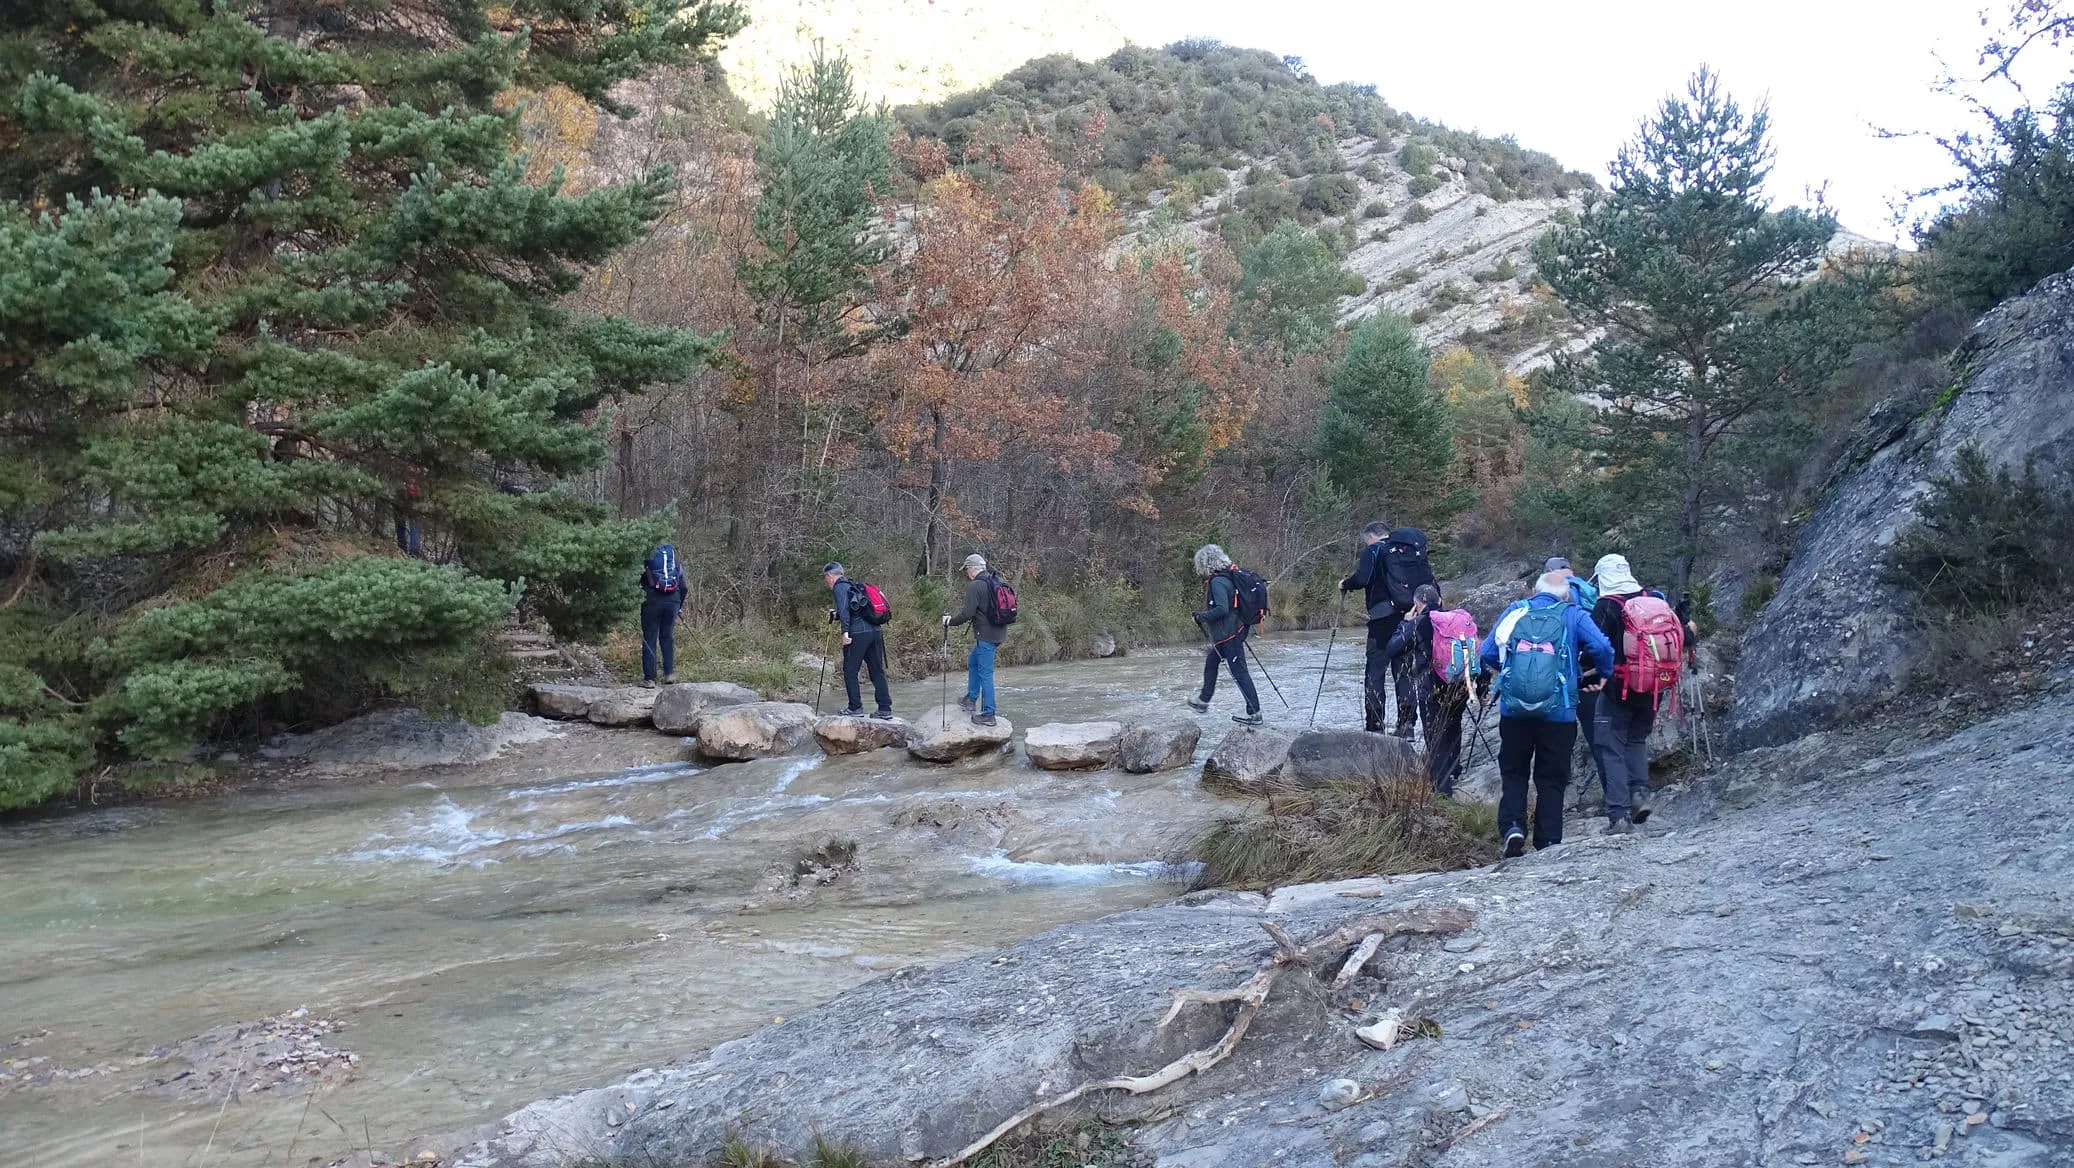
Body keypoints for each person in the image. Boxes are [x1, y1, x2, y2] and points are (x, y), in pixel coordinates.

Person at [1479, 570, 1615, 858]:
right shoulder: (1574, 615)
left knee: (1514, 772)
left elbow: (1488, 652)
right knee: (1552, 778)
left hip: (1514, 710)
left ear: (1534, 591)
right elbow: (1602, 646)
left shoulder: (1515, 611)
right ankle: (1549, 841)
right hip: (1559, 712)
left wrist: (1511, 673)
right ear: (1565, 594)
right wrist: (1603, 673)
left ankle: (1513, 827)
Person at [1585, 553, 1695, 833]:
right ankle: (1640, 795)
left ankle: (1619, 816)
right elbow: (1682, 638)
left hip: (1618, 689)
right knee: (1636, 741)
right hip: (1653, 687)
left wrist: (1589, 671)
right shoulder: (1653, 600)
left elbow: (1593, 646)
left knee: (1610, 747)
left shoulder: (1606, 605)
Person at [1381, 584, 1488, 794]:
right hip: (1460, 686)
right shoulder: (1458, 622)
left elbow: (1392, 649)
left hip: (1432, 688)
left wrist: (1405, 623)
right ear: (1439, 601)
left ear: (1417, 604)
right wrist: (1483, 689)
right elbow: (1476, 654)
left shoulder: (1420, 622)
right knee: (1454, 725)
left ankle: (1443, 789)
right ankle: (1455, 770)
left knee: (1435, 735)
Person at [1340, 521, 1432, 735]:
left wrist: (1345, 584)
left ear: (1371, 536)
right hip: (1409, 617)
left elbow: (1361, 578)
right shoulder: (1407, 551)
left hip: (1382, 620)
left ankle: (1375, 726)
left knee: (1376, 670)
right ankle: (1407, 726)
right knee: (1404, 671)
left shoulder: (1374, 550)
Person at [1187, 544, 1264, 726]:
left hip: (1230, 634)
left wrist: (1201, 616)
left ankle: (1255, 714)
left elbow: (1222, 609)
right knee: (1212, 661)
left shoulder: (1218, 582)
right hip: (1231, 632)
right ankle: (1203, 701)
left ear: (1206, 563)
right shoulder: (1227, 577)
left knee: (1240, 672)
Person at [943, 553, 1007, 726]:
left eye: (966, 570)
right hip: (998, 633)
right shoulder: (997, 581)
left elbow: (968, 613)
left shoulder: (975, 585)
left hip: (985, 636)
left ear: (972, 569)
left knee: (986, 674)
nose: (966, 573)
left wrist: (950, 621)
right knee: (973, 662)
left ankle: (989, 714)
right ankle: (970, 699)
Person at [825, 562, 895, 720]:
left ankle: (855, 708)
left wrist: (845, 633)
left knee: (850, 671)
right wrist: (836, 615)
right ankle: (885, 709)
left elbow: (844, 610)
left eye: (826, 578)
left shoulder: (839, 587)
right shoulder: (853, 585)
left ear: (830, 576)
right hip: (875, 632)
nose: (827, 582)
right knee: (877, 671)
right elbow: (854, 610)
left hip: (858, 634)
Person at [638, 543, 685, 687]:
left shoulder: (647, 564)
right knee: (667, 637)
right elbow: (684, 587)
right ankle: (669, 673)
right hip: (673, 601)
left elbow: (638, 584)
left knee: (649, 638)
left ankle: (650, 679)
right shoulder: (675, 564)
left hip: (652, 601)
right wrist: (679, 607)